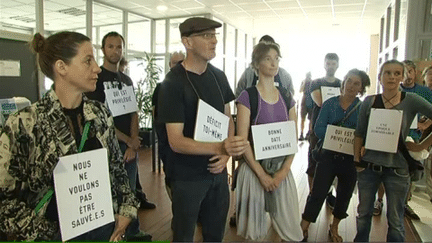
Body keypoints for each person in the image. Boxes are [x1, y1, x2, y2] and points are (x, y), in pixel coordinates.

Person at [0, 31, 139, 241]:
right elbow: (5, 198)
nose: (97, 68)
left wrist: (126, 211)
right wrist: (44, 232)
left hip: (103, 229)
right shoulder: (24, 124)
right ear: (61, 67)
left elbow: (117, 170)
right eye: (87, 61)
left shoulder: (100, 114)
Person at [157, 17, 248, 242]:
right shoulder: (172, 84)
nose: (214, 41)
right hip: (187, 177)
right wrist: (221, 146)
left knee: (215, 235)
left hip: (217, 173)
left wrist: (225, 154)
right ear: (187, 42)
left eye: (215, 36)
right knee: (184, 236)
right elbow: (176, 141)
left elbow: (227, 117)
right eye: (207, 36)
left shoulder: (219, 76)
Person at [353, 60, 432, 242]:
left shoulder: (411, 100)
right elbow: (359, 133)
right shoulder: (369, 101)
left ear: (403, 77)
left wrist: (421, 145)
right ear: (380, 76)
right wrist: (357, 159)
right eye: (387, 73)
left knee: (396, 221)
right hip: (369, 167)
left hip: (398, 169)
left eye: (397, 73)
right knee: (363, 214)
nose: (392, 77)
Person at [85, 31, 154, 240]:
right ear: (103, 49)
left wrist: (133, 144)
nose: (115, 51)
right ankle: (112, 233)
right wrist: (126, 140)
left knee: (130, 191)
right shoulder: (96, 81)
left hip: (128, 148)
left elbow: (133, 112)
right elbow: (99, 120)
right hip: (106, 147)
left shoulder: (126, 80)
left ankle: (132, 230)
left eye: (119, 47)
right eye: (110, 46)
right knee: (108, 194)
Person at [235, 41, 303, 241]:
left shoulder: (287, 97)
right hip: (255, 170)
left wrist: (283, 172)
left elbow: (293, 138)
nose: (274, 63)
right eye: (268, 59)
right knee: (255, 230)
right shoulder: (247, 97)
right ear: (256, 64)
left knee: (282, 225)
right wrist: (262, 175)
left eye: (276, 59)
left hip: (282, 170)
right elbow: (242, 140)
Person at [301, 69, 370, 242]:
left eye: (357, 83)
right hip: (328, 156)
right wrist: (341, 135)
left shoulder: (363, 108)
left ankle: (334, 226)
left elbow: (365, 133)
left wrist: (344, 137)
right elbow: (318, 128)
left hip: (350, 159)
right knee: (317, 192)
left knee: (344, 194)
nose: (352, 86)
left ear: (361, 88)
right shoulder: (330, 103)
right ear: (343, 82)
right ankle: (303, 227)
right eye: (349, 81)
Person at [308, 53, 341, 208]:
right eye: (328, 63)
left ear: (337, 65)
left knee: (333, 163)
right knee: (314, 161)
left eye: (333, 64)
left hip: (336, 128)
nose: (330, 66)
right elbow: (321, 102)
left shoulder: (342, 84)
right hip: (318, 127)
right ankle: (311, 193)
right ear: (324, 64)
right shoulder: (316, 83)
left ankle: (329, 194)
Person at [299, 71, 313, 140]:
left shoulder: (313, 82)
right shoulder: (303, 82)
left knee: (310, 119)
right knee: (302, 118)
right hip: (304, 101)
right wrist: (304, 82)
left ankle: (309, 133)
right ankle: (301, 133)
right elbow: (300, 90)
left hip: (311, 101)